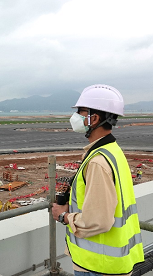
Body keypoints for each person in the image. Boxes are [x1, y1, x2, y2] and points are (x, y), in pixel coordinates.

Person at [51, 84, 144, 275]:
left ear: (93, 118)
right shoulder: (112, 151)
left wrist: (64, 216)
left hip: (98, 266)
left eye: (80, 112)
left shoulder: (98, 161)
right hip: (109, 263)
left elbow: (99, 221)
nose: (75, 117)